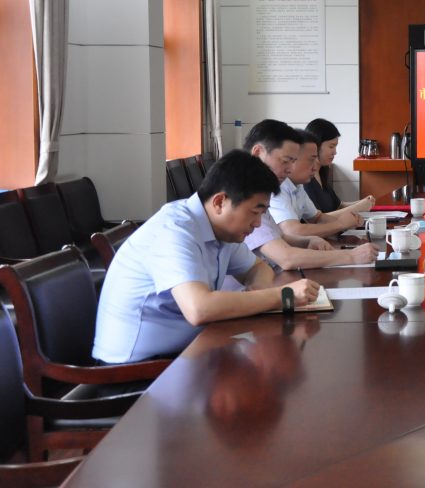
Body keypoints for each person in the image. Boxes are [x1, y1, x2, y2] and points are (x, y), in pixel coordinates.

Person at [92, 151, 320, 363]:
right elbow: (199, 309)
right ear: (220, 202)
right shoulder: (174, 230)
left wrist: (259, 293)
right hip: (139, 368)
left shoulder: (221, 229)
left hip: (187, 351)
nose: (258, 223)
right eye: (254, 212)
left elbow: (257, 268)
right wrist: (282, 296)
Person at [243, 120, 377, 269]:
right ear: (258, 153)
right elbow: (286, 258)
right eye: (286, 161)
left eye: (293, 161)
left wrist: (308, 241)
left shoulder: (263, 193)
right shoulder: (245, 198)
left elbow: (280, 237)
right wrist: (351, 256)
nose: (290, 169)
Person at [270, 130, 374, 239]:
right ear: (292, 159)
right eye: (311, 160)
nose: (314, 167)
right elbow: (293, 231)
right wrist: (340, 224)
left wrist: (351, 222)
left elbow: (317, 218)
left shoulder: (298, 186)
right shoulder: (278, 187)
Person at [304, 117, 342, 213]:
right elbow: (319, 218)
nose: (335, 152)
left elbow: (338, 205)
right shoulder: (304, 178)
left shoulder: (323, 170)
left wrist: (365, 202)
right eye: (331, 146)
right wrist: (359, 206)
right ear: (316, 145)